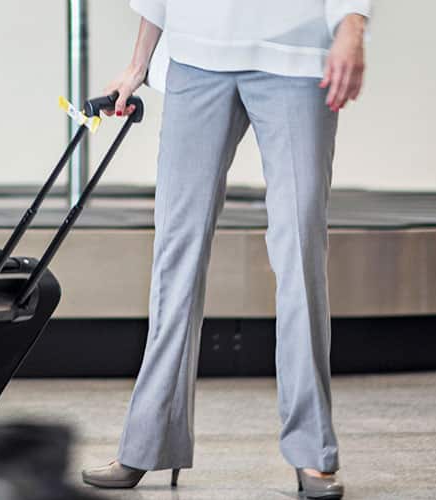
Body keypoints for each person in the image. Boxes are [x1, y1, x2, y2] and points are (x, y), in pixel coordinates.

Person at [80, 1, 370, 498]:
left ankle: (312, 454)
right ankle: (147, 443)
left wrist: (352, 28)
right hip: (196, 58)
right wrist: (137, 65)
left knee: (299, 251)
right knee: (176, 251)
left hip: (297, 58)